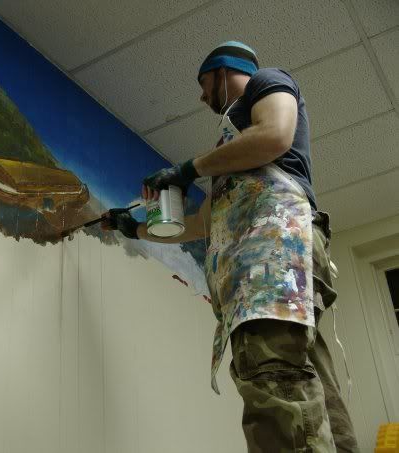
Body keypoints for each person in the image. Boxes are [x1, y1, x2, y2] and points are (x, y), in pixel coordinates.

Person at [104, 41, 359, 452]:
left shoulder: (268, 81)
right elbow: (201, 225)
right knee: (305, 380)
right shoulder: (232, 157)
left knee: (273, 382)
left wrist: (189, 169)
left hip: (273, 263)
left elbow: (275, 134)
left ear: (222, 72)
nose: (202, 96)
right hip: (272, 275)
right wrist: (135, 229)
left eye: (204, 83)